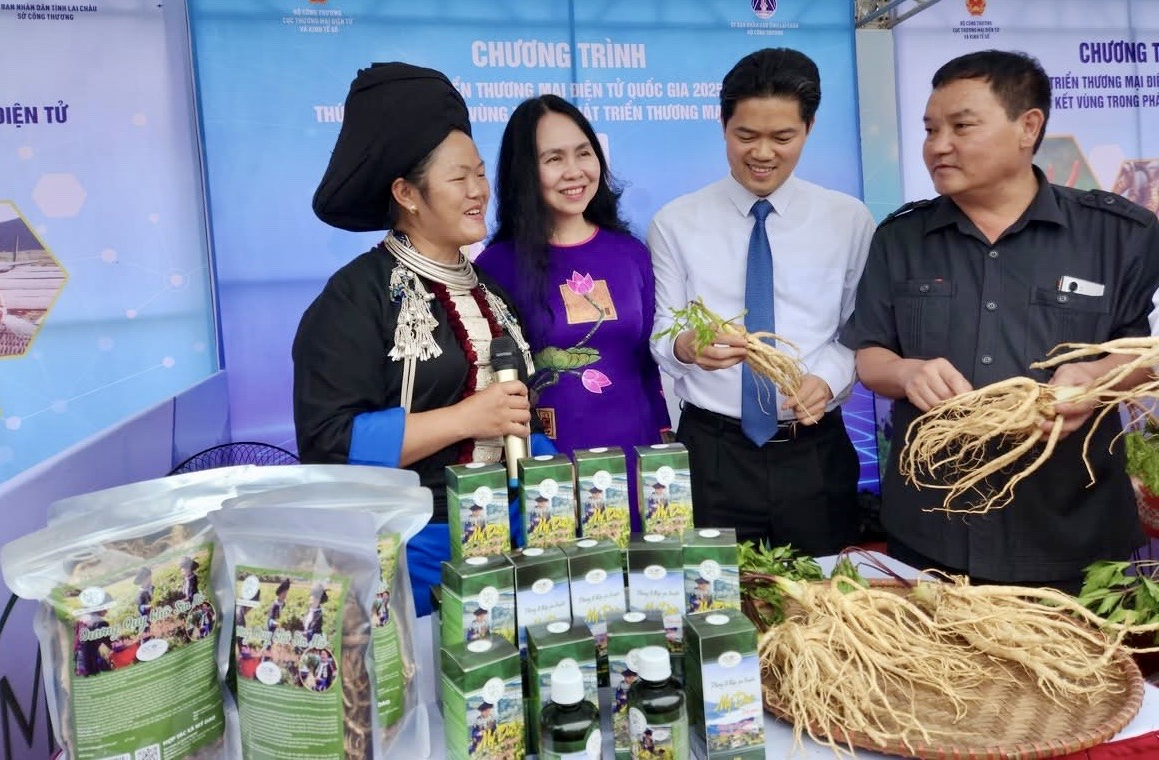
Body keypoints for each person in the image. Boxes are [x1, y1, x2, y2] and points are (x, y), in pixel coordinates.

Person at [841, 50, 1159, 592]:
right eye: (930, 129)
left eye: (961, 126)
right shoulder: (901, 238)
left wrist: (1093, 376)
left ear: (1027, 127)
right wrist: (908, 373)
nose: (938, 145)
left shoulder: (1117, 235)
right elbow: (870, 355)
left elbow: (1139, 354)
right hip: (933, 528)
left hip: (1067, 534)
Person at [294, 62, 553, 616]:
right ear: (407, 193)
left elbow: (515, 420)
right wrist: (467, 419)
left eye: (480, 174)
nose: (479, 191)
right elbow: (329, 444)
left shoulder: (493, 292)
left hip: (518, 540)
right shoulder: (354, 299)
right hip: (416, 552)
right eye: (460, 179)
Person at [649, 48, 875, 555]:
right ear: (723, 124)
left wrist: (830, 380)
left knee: (823, 607)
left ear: (810, 128)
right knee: (716, 604)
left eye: (782, 137)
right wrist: (686, 345)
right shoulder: (675, 222)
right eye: (746, 136)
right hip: (712, 451)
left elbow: (857, 329)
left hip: (814, 448)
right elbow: (663, 329)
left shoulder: (848, 219)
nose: (763, 153)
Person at [478, 95, 670, 530]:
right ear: (526, 172)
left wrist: (662, 446)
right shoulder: (497, 266)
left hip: (635, 455)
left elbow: (647, 364)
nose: (574, 170)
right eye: (553, 158)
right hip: (550, 466)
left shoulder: (630, 253)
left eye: (584, 152)